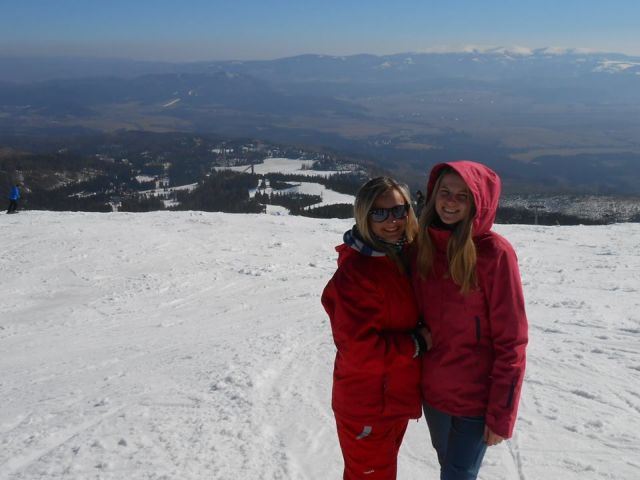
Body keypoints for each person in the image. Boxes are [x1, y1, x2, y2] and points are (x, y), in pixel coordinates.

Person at [412, 161, 528, 480]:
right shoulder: (423, 247)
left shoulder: (495, 254)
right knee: (448, 466)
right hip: (434, 394)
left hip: (476, 400)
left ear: (479, 202)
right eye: (445, 192)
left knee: (457, 474)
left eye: (463, 195)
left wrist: (501, 414)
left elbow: (512, 341)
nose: (450, 202)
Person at [322, 176, 430, 479]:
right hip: (367, 406)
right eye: (379, 213)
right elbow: (359, 351)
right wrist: (416, 344)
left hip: (391, 399)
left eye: (398, 210)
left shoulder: (399, 256)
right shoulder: (357, 274)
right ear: (364, 215)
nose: (391, 221)